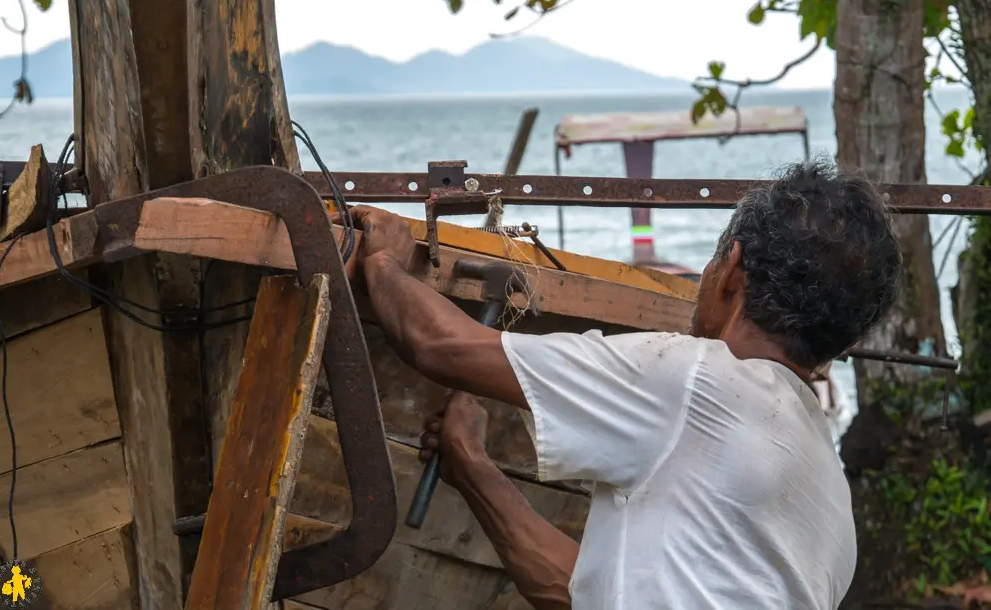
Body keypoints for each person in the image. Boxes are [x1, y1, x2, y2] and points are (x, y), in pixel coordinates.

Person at [339, 158, 902, 610]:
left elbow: (442, 347)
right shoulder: (830, 500)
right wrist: (475, 471)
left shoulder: (696, 380)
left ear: (731, 272)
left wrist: (385, 262)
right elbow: (587, 593)